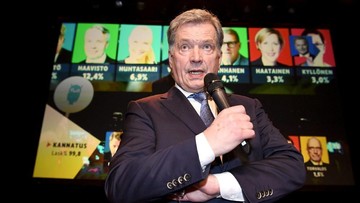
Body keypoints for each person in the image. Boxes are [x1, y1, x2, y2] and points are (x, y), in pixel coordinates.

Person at [105, 9, 305, 203]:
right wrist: (206, 145)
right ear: (171, 58)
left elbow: (292, 166)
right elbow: (121, 185)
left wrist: (218, 185)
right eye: (185, 47)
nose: (196, 57)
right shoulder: (145, 110)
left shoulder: (248, 106)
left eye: (207, 47)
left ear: (218, 57)